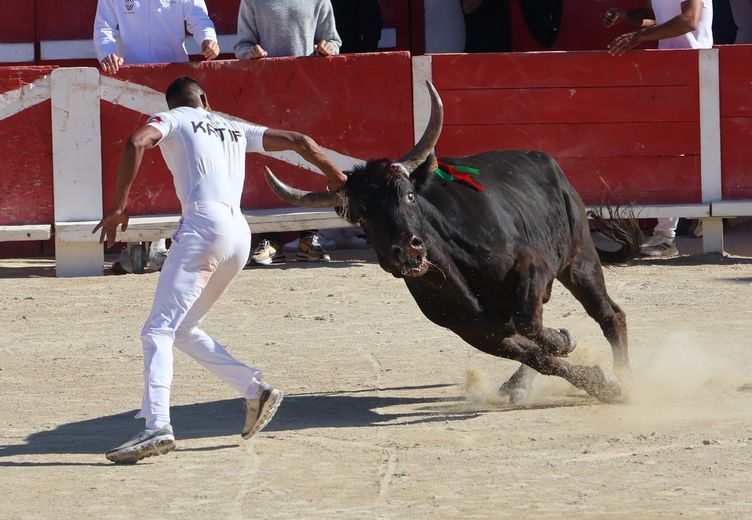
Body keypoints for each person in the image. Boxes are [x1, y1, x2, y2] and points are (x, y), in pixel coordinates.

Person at [93, 77, 347, 464]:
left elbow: (135, 142)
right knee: (182, 328)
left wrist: (119, 205)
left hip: (202, 226)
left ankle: (157, 424)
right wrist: (339, 179)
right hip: (240, 234)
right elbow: (301, 141)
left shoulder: (172, 118)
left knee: (157, 329)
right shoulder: (233, 126)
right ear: (206, 101)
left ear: (175, 102)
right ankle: (253, 388)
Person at [94, 0, 221, 273]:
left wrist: (208, 39)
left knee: (181, 161)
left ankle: (172, 242)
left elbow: (199, 19)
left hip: (175, 84)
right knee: (135, 160)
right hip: (129, 81)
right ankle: (139, 244)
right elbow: (104, 27)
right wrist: (107, 52)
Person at [234, 0, 342, 265]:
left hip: (306, 89)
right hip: (265, 92)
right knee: (270, 160)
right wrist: (252, 52)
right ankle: (270, 238)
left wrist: (328, 48)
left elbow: (333, 41)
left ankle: (309, 236)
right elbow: (241, 46)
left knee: (308, 160)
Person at [604, 0, 713, 257]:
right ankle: (669, 233)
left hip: (695, 69)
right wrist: (627, 19)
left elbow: (689, 21)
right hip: (673, 70)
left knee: (678, 154)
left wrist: (639, 36)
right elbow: (658, 19)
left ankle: (668, 234)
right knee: (674, 153)